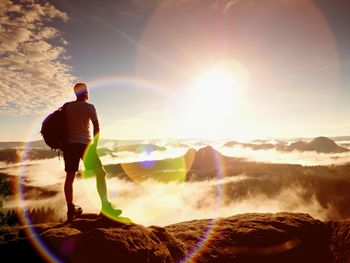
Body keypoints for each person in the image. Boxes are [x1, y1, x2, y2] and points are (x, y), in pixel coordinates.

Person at [63, 82, 122, 221]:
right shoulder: (89, 107)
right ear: (86, 93)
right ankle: (105, 207)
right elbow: (96, 127)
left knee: (69, 178)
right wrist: (94, 146)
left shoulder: (67, 107)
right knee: (100, 173)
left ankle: (70, 210)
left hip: (70, 146)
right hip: (85, 145)